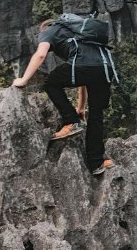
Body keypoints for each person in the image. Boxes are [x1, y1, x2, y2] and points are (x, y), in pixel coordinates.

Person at [13, 17, 115, 176]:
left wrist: (24, 79)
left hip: (85, 67)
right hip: (105, 67)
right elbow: (84, 79)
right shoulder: (79, 36)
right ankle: (97, 163)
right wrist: (80, 108)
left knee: (51, 83)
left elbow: (40, 55)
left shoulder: (49, 31)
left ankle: (71, 121)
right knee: (96, 114)